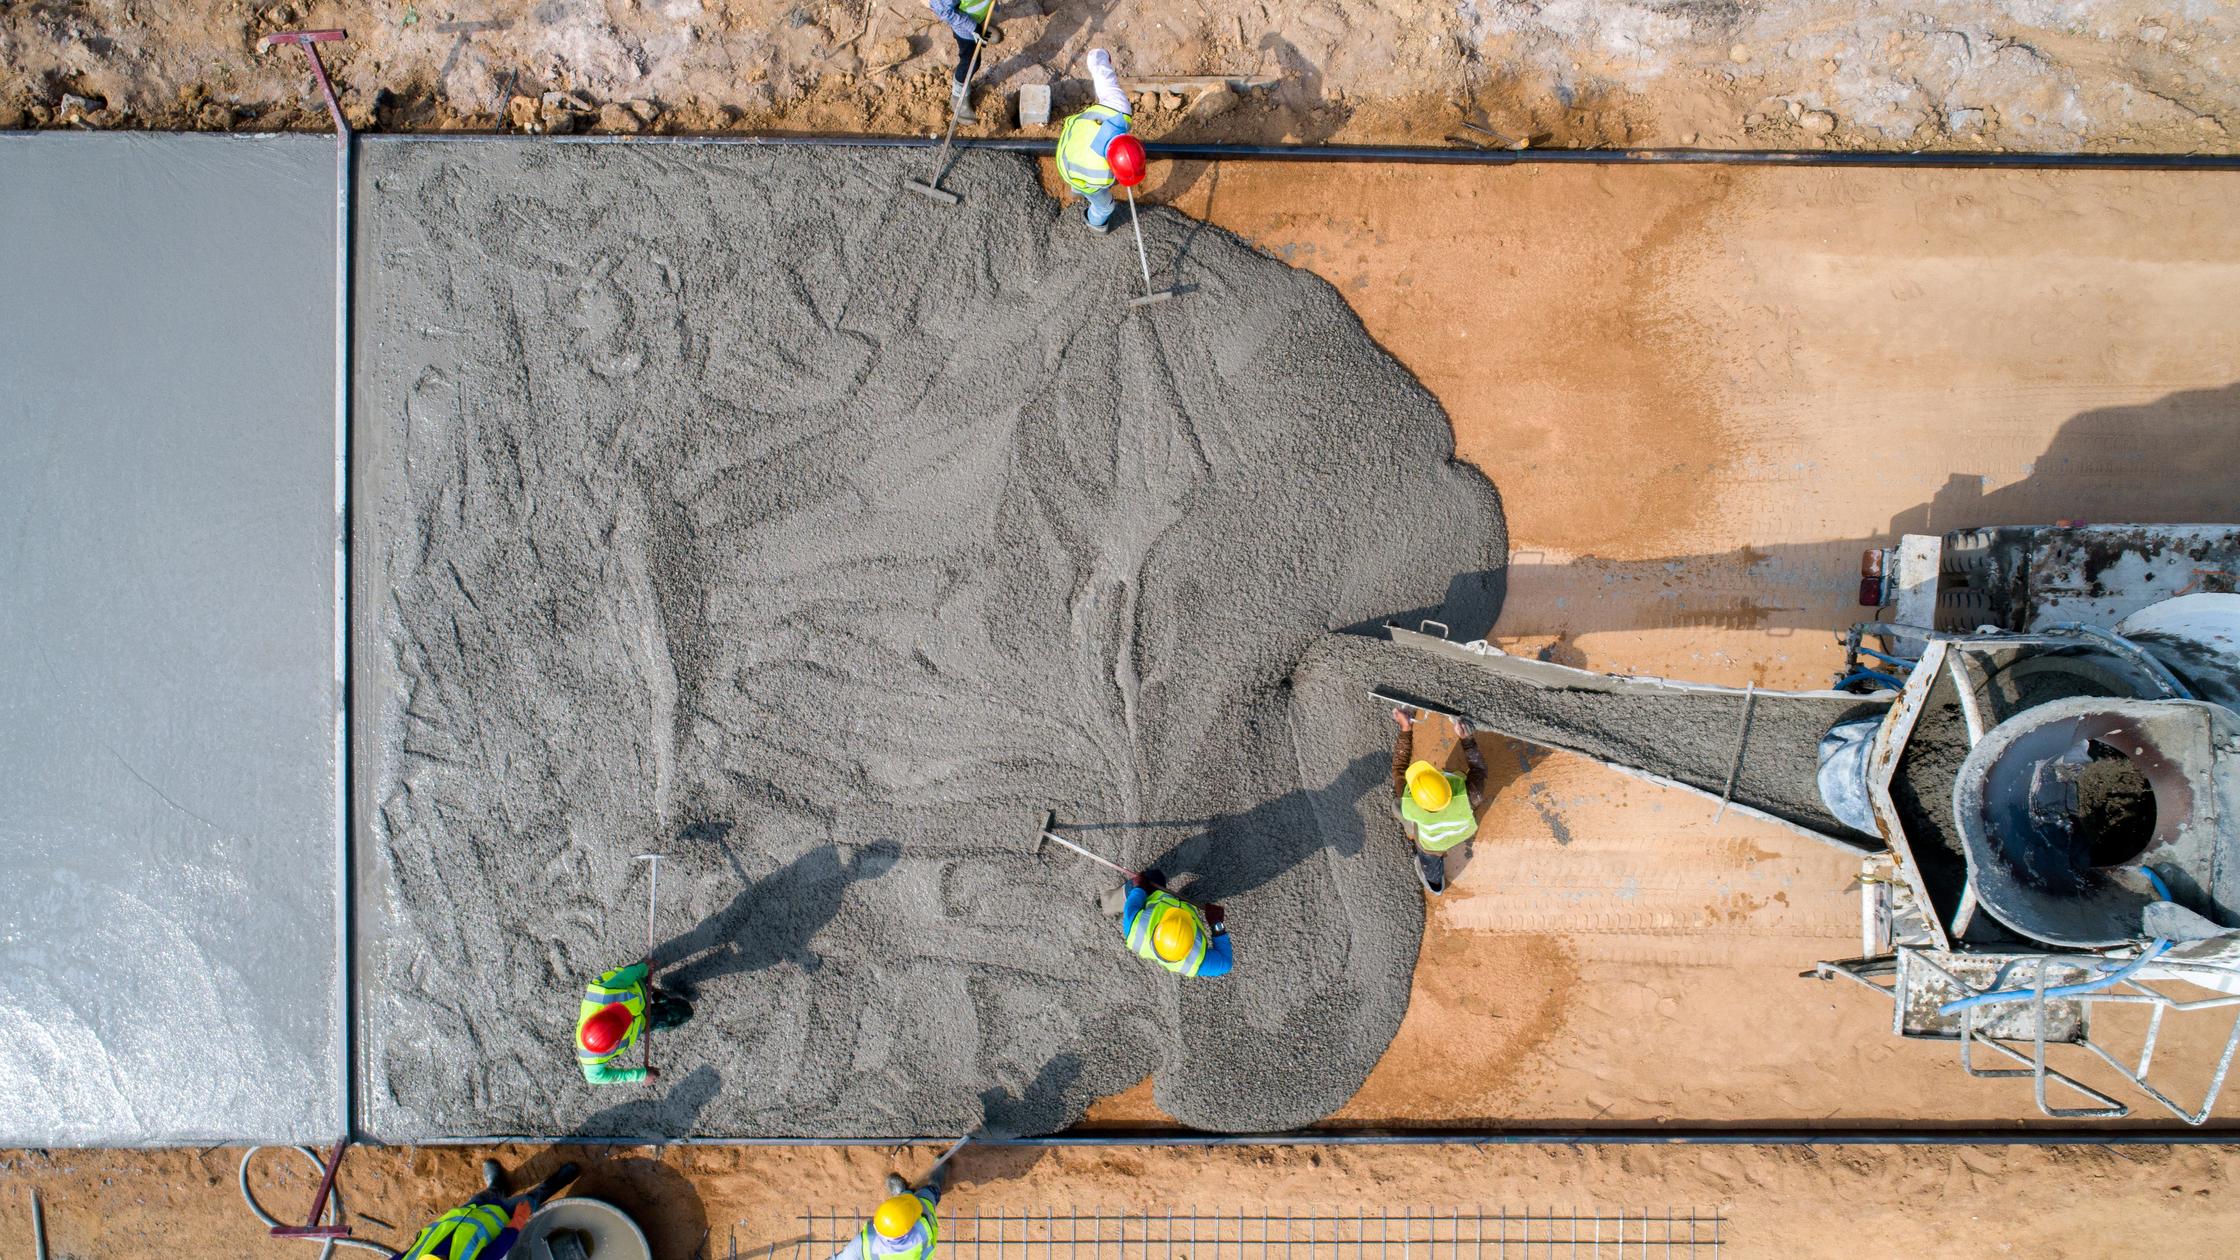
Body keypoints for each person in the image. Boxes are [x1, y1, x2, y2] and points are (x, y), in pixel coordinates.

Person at [391, 1158, 580, 1260]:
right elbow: (498, 1248)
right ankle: (559, 1181)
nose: (440, 1256)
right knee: (530, 1200)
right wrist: (518, 1220)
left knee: (485, 1196)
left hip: (465, 1214)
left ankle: (497, 1187)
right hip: (498, 1219)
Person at [1392, 706, 1488, 896]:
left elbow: (1399, 768)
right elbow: (1479, 769)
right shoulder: (1469, 797)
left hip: (1432, 844)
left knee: (1398, 807)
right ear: (1444, 782)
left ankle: (1435, 885)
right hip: (1457, 831)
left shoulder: (1409, 802)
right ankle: (1435, 883)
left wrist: (1405, 729)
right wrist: (1466, 739)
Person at [576, 958, 694, 1085]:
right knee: (684, 1012)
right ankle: (661, 999)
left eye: (618, 1013)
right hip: (641, 1021)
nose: (627, 1016)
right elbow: (595, 1077)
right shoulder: (591, 1060)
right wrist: (640, 1075)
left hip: (632, 987)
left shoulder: (603, 995)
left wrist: (641, 969)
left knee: (641, 969)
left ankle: (651, 986)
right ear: (615, 1044)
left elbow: (625, 978)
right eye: (625, 1021)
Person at [1054, 47, 1134, 233]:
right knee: (1105, 206)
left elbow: (1100, 71)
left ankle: (1075, 190)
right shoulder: (1104, 176)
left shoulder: (1116, 106)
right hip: (1077, 172)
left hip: (1066, 156)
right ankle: (1096, 226)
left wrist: (1100, 55)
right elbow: (1098, 184)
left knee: (1079, 180)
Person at [1120, 869, 1232, 977]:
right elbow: (1225, 963)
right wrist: (1216, 925)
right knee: (1155, 878)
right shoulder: (1193, 961)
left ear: (1159, 926)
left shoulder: (1134, 925)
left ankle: (1115, 899)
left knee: (1153, 877)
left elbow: (1136, 892)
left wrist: (1139, 887)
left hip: (1158, 902)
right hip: (1182, 906)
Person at [832, 1167, 946, 1260]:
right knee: (927, 1196)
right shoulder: (925, 1228)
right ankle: (933, 1185)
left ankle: (903, 1193)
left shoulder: (864, 1243)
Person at [926, 0, 1003, 124]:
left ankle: (982, 27)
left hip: (978, 16)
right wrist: (973, 27)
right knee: (971, 63)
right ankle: (958, 97)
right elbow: (943, 11)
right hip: (964, 28)